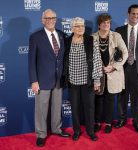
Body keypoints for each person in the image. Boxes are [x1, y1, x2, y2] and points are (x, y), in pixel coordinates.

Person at [28, 9, 70, 147]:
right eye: (47, 18)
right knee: (41, 109)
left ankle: (57, 129)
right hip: (42, 80)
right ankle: (41, 134)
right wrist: (34, 81)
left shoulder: (62, 35)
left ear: (56, 19)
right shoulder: (35, 37)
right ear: (42, 20)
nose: (50, 20)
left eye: (53, 17)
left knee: (57, 107)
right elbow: (31, 61)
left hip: (58, 79)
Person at [63, 17, 103, 141]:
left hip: (88, 81)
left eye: (82, 26)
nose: (81, 28)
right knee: (75, 107)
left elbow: (97, 60)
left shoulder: (91, 40)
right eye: (77, 26)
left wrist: (97, 80)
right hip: (73, 80)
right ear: (72, 28)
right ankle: (77, 131)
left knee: (89, 107)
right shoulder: (67, 41)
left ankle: (90, 131)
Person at [114, 4, 138, 132]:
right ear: (128, 14)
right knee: (122, 96)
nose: (135, 16)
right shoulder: (119, 30)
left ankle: (137, 121)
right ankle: (122, 119)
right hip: (123, 68)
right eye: (133, 13)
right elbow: (116, 50)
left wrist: (136, 59)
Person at [92, 13, 128, 133]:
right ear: (99, 25)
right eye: (103, 22)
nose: (106, 25)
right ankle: (96, 123)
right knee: (98, 100)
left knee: (110, 100)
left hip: (113, 74)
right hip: (98, 75)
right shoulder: (92, 37)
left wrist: (113, 67)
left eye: (108, 22)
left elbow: (125, 53)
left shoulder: (116, 36)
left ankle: (108, 123)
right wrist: (98, 68)